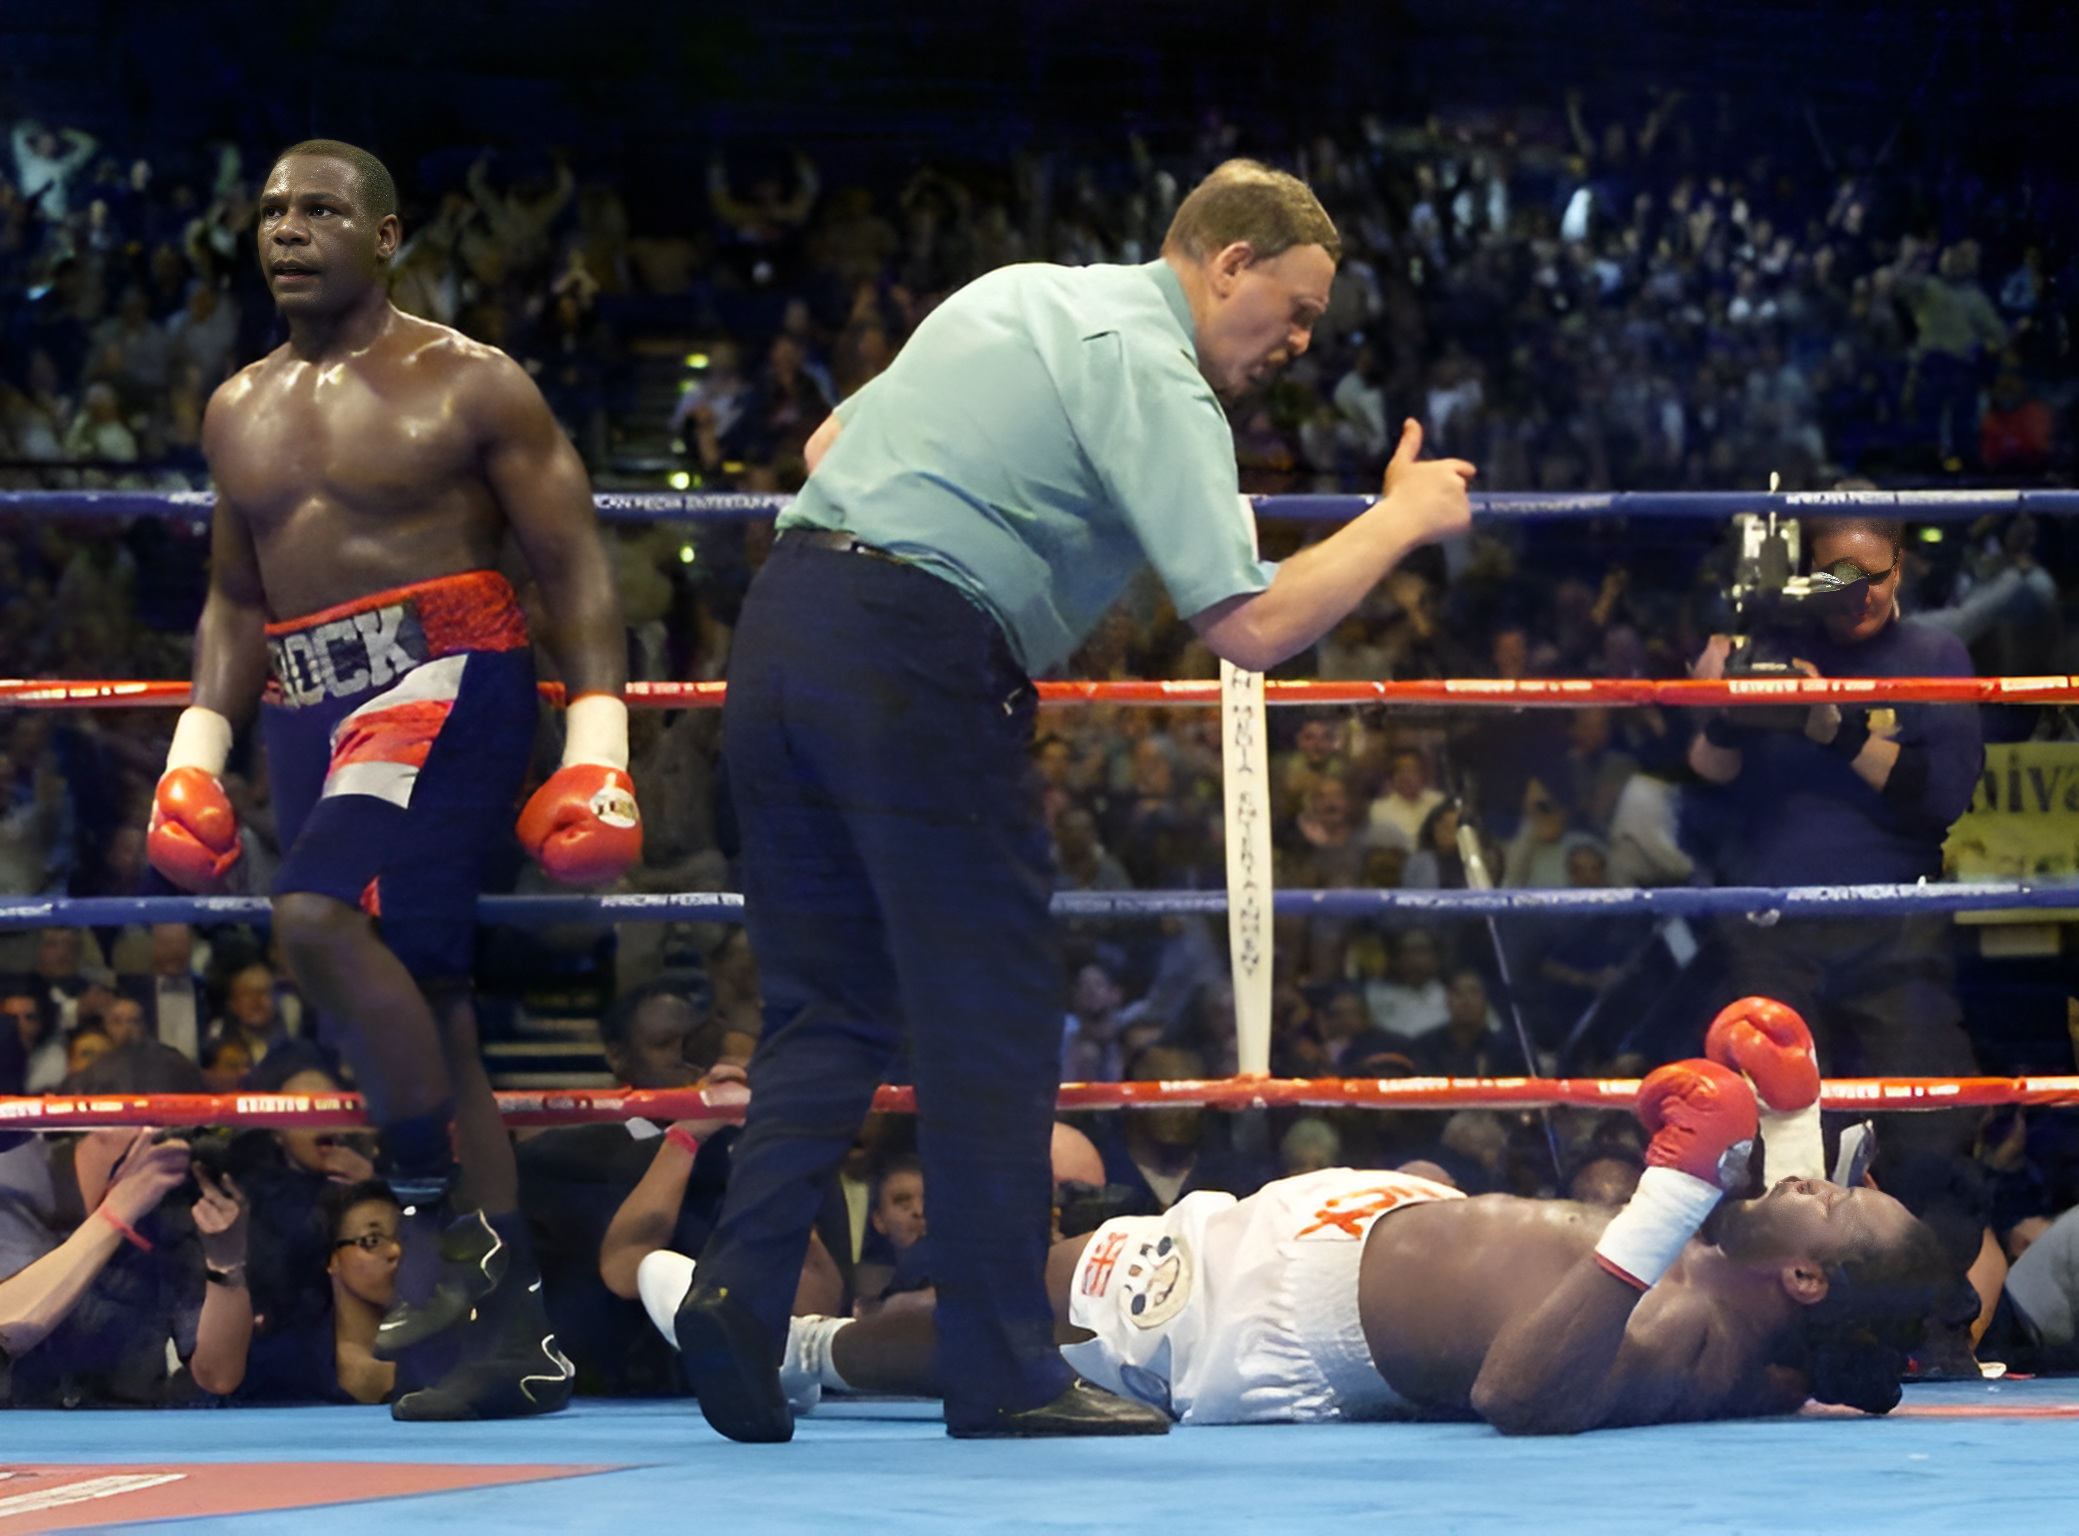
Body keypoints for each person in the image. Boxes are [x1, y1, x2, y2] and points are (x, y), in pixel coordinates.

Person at [680, 157, 1474, 1443]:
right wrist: (1397, 518)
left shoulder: (1012, 295)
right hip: (917, 656)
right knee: (991, 1015)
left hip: (783, 633)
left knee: (831, 1004)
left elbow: (833, 446)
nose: (1304, 340)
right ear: (1228, 265)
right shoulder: (1153, 366)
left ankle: (739, 1291)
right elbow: (1253, 624)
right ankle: (1002, 1369)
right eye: (1298, 305)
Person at [141, 139, 640, 1421]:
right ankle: (514, 1344)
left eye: (319, 211)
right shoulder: (237, 405)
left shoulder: (468, 383)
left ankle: (430, 1218)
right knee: (430, 1007)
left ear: (387, 236)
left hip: (446, 674)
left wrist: (599, 751)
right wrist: (196, 752)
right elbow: (234, 595)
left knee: (311, 917)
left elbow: (576, 562)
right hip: (309, 707)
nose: (288, 231)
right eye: (269, 212)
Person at [639, 1048, 1952, 1435]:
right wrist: (1796, 1106)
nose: (1810, 1178)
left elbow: (1513, 1392)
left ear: (1801, 1277)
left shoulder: (1683, 1323)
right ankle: (807, 1339)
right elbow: (1804, 1294)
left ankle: (804, 1352)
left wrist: (1664, 1196)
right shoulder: (1753, 1286)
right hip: (1348, 1225)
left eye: (1832, 1199)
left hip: (1275, 1321)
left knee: (1021, 1301)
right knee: (1028, 1282)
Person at [1687, 516, 1983, 1162]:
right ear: (1808, 579)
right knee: (1772, 1128)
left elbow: (1942, 797)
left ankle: (1929, 1254)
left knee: (1929, 1129)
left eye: (1873, 578)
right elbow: (1704, 780)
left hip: (1891, 920)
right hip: (1773, 919)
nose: (1858, 597)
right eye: (1836, 581)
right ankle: (1787, 1257)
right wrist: (1721, 705)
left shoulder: (1932, 656)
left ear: (1898, 567)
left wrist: (1834, 729)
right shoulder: (1767, 646)